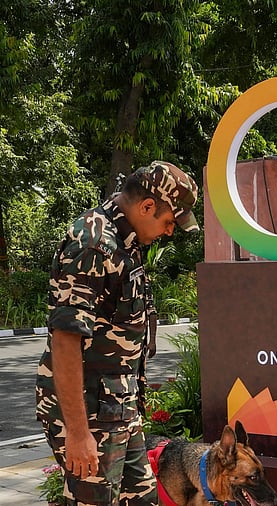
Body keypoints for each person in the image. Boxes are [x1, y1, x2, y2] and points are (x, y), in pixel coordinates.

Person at [36, 161, 199, 505]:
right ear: (147, 206)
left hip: (117, 407)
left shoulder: (127, 238)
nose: (170, 231)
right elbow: (65, 342)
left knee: (142, 499)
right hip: (88, 412)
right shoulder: (94, 244)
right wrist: (78, 435)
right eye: (169, 221)